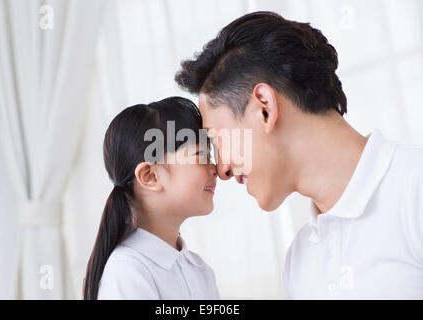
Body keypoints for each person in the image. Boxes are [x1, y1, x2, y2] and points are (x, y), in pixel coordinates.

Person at [175, 11, 423, 299]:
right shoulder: (300, 261)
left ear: (265, 108)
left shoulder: (414, 190)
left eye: (218, 139)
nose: (223, 170)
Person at [83, 97, 220, 300]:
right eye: (200, 155)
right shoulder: (127, 271)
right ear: (150, 176)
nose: (215, 169)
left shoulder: (201, 270)